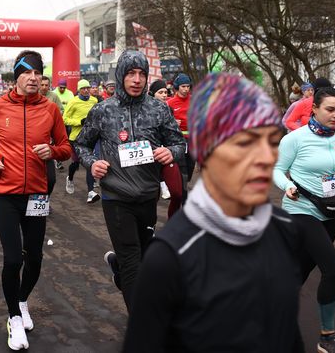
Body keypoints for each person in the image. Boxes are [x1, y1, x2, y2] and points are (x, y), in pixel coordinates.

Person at [124, 73, 304, 353]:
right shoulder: (169, 257)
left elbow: (288, 331)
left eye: (270, 141)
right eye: (245, 143)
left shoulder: (284, 229)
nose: (265, 158)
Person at [0, 50, 71, 351]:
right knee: (13, 258)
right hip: (4, 193)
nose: (33, 79)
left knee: (35, 257)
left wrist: (52, 152)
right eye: (26, 73)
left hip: (37, 194)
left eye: (38, 74)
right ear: (16, 76)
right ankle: (14, 318)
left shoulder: (50, 110)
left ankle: (22, 300)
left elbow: (66, 147)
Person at [74, 50, 185, 311]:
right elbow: (81, 145)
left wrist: (170, 152)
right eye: (131, 74)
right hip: (116, 198)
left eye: (142, 74)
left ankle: (120, 269)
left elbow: (178, 143)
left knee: (144, 260)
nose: (137, 80)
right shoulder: (102, 111)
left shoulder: (159, 109)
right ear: (121, 76)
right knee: (132, 261)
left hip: (147, 196)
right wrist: (93, 163)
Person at [274, 87, 335, 353]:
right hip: (301, 209)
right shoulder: (295, 139)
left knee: (300, 270)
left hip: (332, 210)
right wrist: (286, 186)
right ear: (314, 109)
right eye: (330, 109)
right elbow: (277, 169)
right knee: (332, 270)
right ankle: (328, 337)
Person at [148, 79, 183, 218]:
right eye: (160, 92)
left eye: (165, 92)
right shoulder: (145, 110)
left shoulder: (168, 109)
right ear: (152, 94)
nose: (164, 95)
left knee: (177, 193)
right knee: (152, 197)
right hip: (150, 157)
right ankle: (150, 226)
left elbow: (173, 135)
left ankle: (172, 223)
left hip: (167, 154)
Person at [63, 79, 99, 203]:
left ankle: (90, 192)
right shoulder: (73, 102)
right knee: (76, 163)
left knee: (90, 162)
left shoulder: (94, 100)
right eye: (83, 88)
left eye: (87, 88)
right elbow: (65, 119)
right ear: (79, 90)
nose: (86, 90)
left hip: (90, 137)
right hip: (76, 138)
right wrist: (79, 122)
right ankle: (70, 178)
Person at [167, 73, 194, 189]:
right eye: (183, 86)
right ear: (177, 87)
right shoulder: (170, 103)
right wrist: (173, 122)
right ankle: (181, 189)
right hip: (178, 140)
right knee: (181, 168)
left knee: (191, 166)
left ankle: (185, 182)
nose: (186, 89)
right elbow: (165, 122)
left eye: (188, 86)